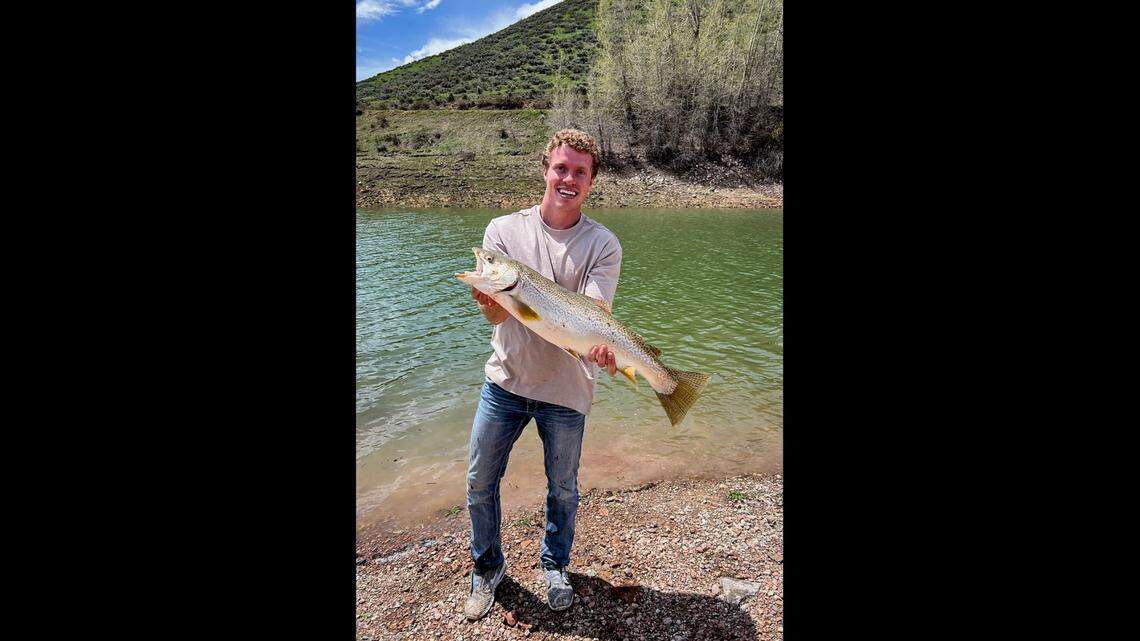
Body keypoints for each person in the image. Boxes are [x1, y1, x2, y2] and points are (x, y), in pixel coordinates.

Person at [462, 129, 623, 621]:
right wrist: (492, 300)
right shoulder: (503, 233)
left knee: (564, 488)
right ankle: (487, 568)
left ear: (591, 181)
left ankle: (555, 565)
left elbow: (595, 312)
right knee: (478, 480)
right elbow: (497, 317)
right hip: (505, 381)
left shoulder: (603, 243)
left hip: (567, 389)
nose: (568, 178)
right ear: (546, 170)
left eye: (579, 171)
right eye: (561, 168)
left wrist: (603, 347)